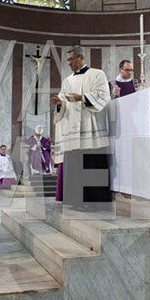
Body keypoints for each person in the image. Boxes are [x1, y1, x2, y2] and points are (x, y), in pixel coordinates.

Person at [51, 46, 111, 208]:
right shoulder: (67, 81)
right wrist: (60, 103)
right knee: (75, 165)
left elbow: (103, 95)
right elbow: (64, 103)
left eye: (72, 59)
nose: (69, 63)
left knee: (92, 163)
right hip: (72, 131)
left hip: (90, 128)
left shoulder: (97, 74)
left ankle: (96, 202)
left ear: (82, 58)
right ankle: (76, 200)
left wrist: (82, 98)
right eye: (68, 60)